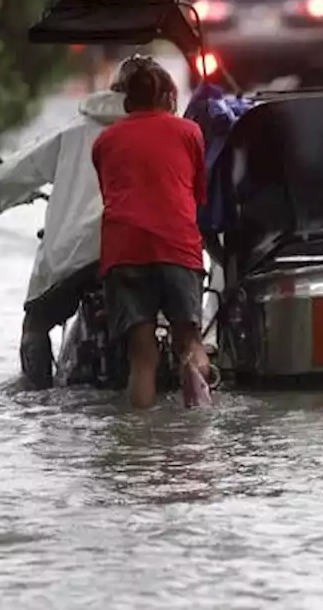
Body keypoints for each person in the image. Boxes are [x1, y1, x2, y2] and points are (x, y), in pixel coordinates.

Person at [0, 58, 148, 390]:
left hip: (78, 253)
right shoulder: (166, 131)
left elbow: (12, 174)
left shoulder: (74, 131)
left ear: (111, 90)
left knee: (36, 322)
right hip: (146, 251)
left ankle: (36, 397)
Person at [91, 56, 212, 409]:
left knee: (141, 358)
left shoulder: (105, 141)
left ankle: (140, 449)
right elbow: (198, 196)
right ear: (168, 97)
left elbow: (110, 195)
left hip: (124, 250)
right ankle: (199, 436)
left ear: (125, 99)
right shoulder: (189, 132)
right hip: (177, 245)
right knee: (189, 343)